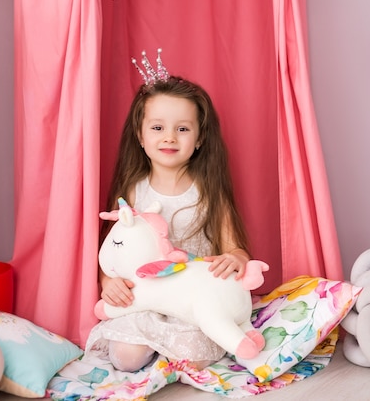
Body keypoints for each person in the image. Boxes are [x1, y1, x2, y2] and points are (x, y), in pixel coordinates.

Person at [86, 51, 252, 372]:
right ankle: (153, 348)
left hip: (193, 300)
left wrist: (235, 259)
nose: (169, 138)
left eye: (182, 129)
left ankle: (173, 352)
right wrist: (108, 282)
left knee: (194, 360)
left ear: (200, 137)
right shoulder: (133, 190)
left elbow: (237, 250)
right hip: (146, 299)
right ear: (140, 135)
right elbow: (113, 251)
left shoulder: (208, 193)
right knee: (125, 359)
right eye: (158, 127)